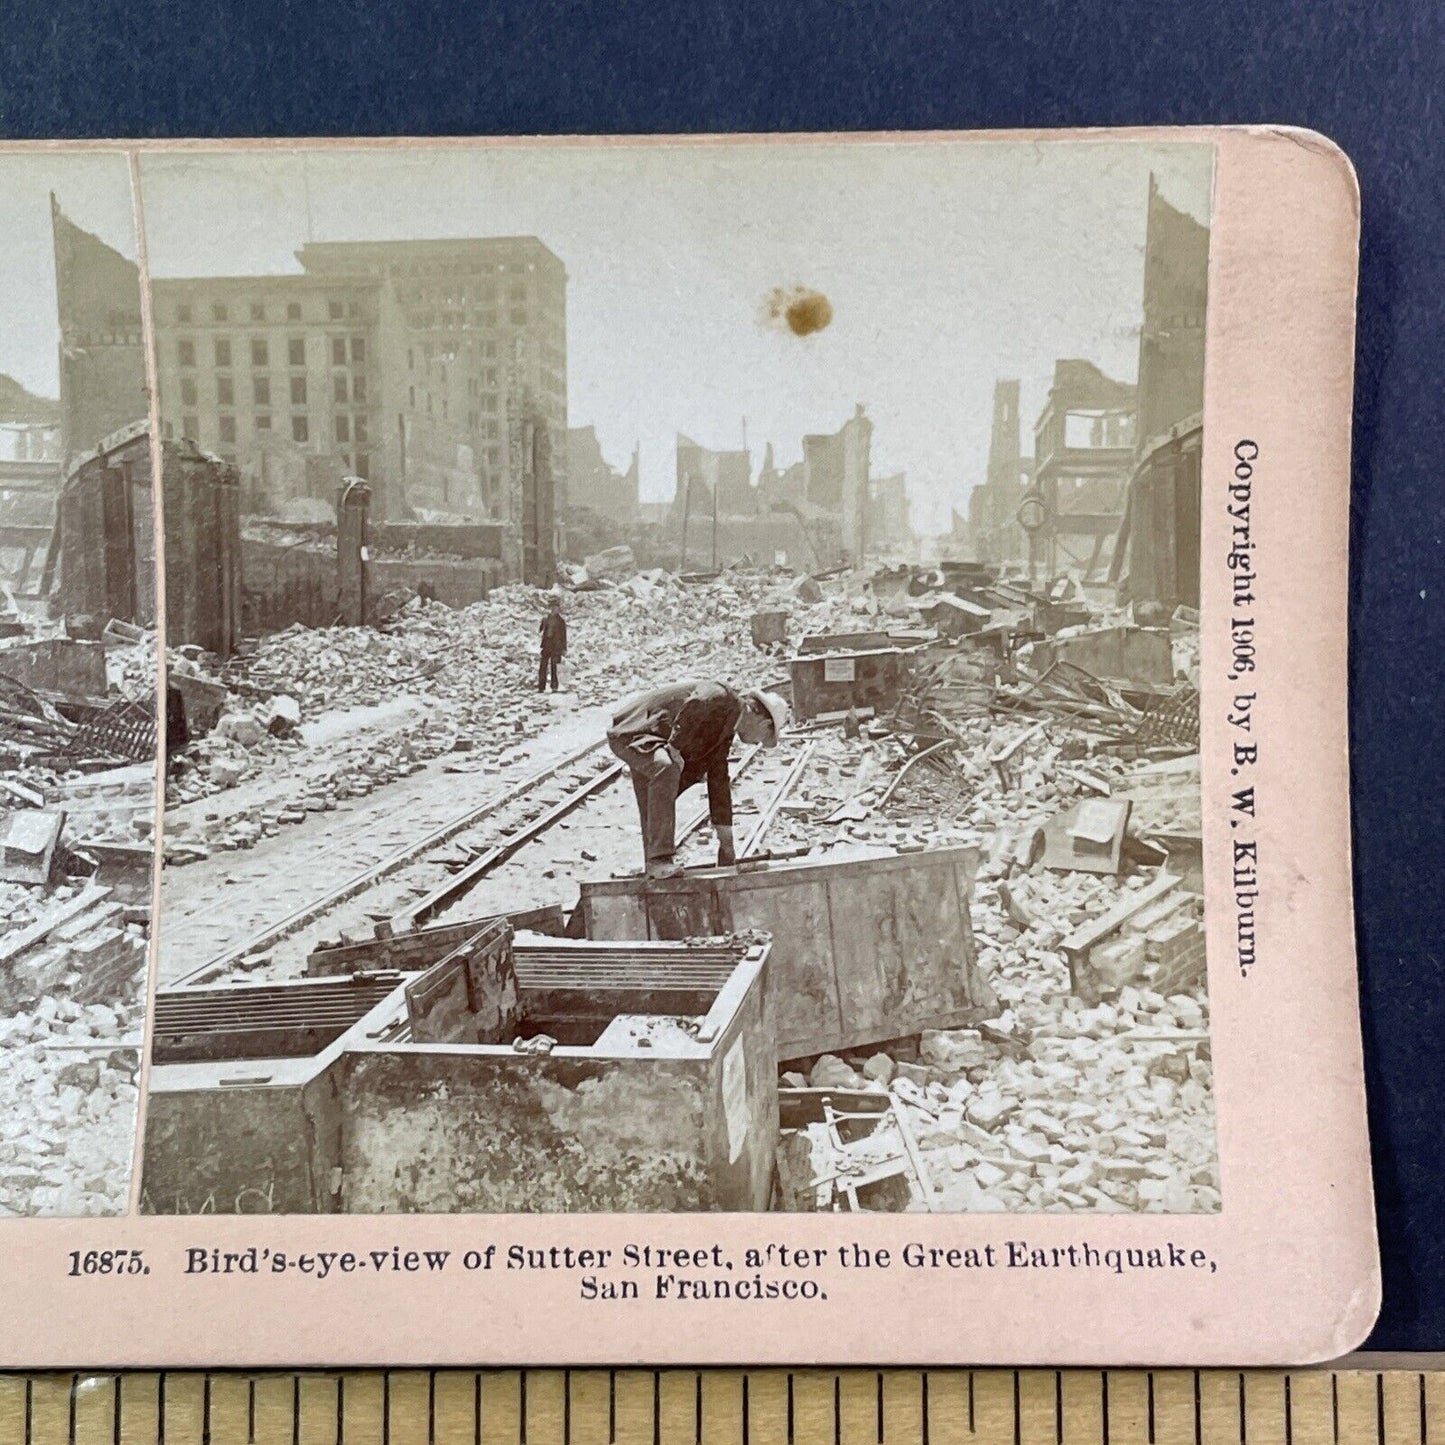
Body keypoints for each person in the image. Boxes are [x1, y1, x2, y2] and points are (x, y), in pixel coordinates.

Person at [606, 680, 790, 878]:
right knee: (666, 769)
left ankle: (653, 865)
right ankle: (659, 860)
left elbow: (718, 783)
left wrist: (726, 845)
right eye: (763, 738)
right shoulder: (722, 695)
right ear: (764, 723)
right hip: (633, 730)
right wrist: (675, 748)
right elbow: (696, 704)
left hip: (649, 738)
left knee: (657, 795)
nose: (757, 743)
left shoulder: (725, 732)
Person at [538, 594, 567, 692]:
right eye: (553, 607)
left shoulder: (561, 621)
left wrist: (564, 648)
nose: (555, 609)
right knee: (543, 666)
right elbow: (540, 630)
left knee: (554, 667)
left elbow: (564, 636)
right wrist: (542, 623)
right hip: (547, 645)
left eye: (556, 607)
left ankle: (554, 686)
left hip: (556, 646)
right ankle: (541, 686)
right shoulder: (546, 619)